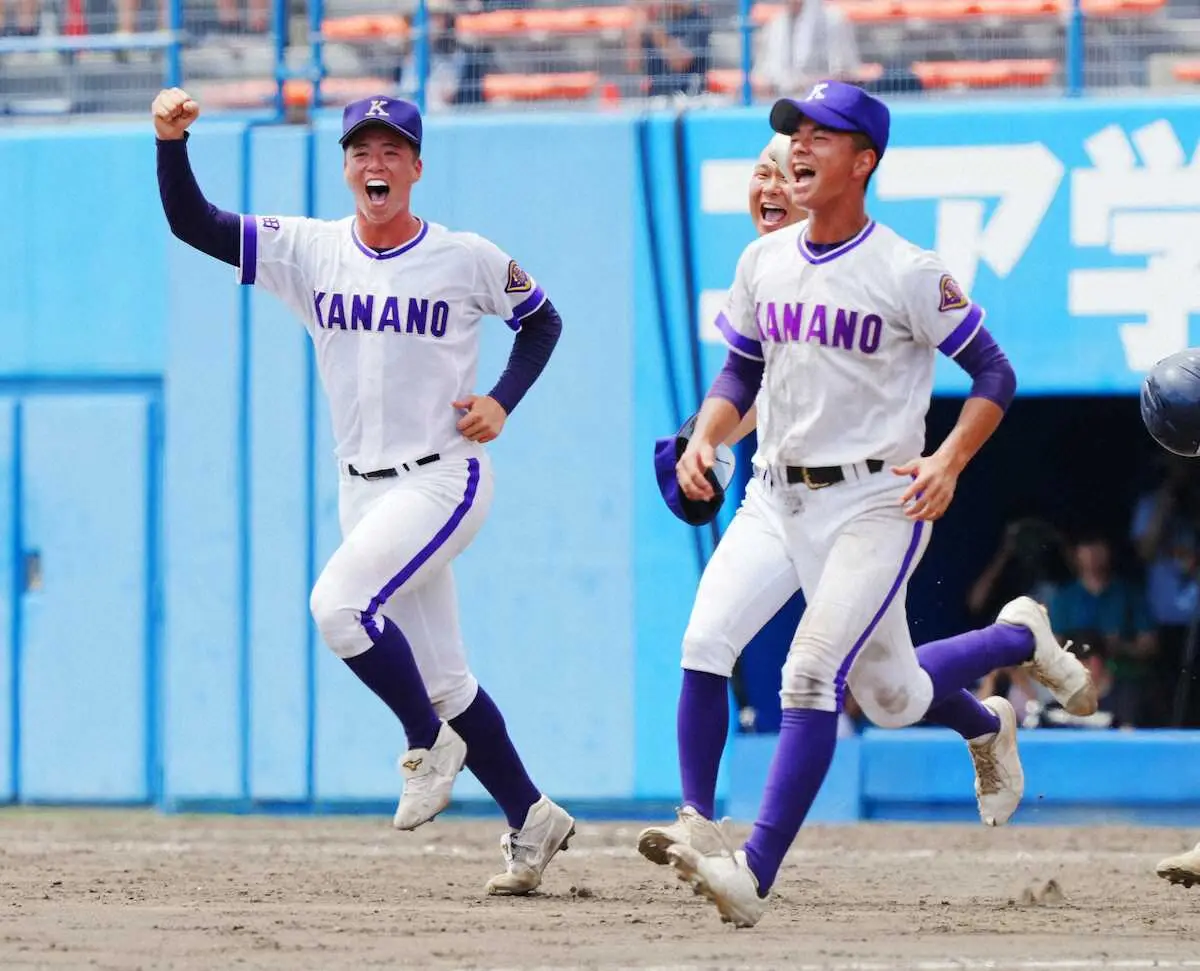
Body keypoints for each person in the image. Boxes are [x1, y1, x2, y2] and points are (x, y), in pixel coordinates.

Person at [639, 81, 1097, 928]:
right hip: (775, 496)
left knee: (812, 673)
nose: (800, 147)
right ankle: (700, 819)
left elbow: (994, 373)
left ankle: (753, 872)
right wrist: (706, 435)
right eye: (795, 133)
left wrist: (950, 458)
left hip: (875, 504)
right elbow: (740, 371)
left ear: (864, 160)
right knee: (863, 686)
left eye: (821, 135)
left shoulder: (906, 270)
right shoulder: (764, 261)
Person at [151, 88, 573, 895]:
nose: (375, 163)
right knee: (446, 680)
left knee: (338, 607)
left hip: (443, 475)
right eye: (360, 151)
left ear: (416, 167)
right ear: (346, 167)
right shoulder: (310, 249)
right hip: (362, 487)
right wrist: (171, 143)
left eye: (391, 151)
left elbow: (542, 320)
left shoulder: (464, 256)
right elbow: (193, 223)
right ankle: (532, 815)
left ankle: (427, 744)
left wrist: (502, 400)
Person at [755, 0, 862, 97]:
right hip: (780, 98)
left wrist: (805, 83)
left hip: (822, 99)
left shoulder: (834, 21)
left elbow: (845, 75)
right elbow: (762, 74)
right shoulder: (776, 24)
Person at [626, 0, 712, 99]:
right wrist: (636, 28)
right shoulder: (657, 18)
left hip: (688, 97)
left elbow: (679, 63)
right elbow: (632, 65)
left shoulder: (698, 19)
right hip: (656, 98)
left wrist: (655, 29)